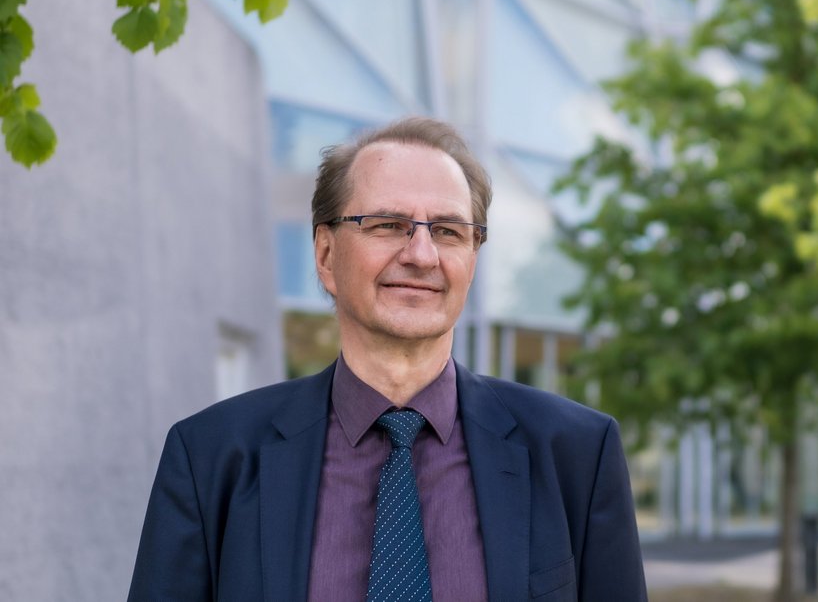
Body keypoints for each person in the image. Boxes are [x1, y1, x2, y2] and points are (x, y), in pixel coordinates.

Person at [128, 117, 647, 601]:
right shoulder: (211, 457)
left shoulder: (576, 455)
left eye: (448, 231)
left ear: (472, 260)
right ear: (326, 255)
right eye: (387, 224)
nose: (421, 255)